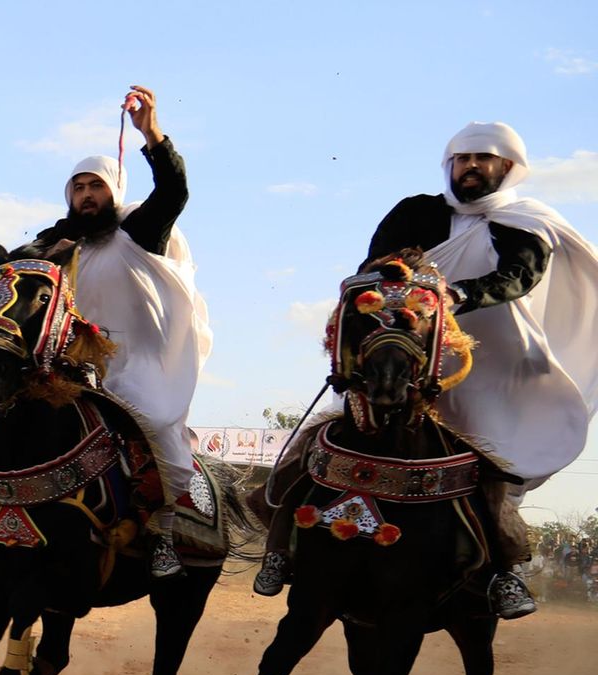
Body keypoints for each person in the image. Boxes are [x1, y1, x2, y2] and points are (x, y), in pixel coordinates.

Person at [256, 122, 598, 620]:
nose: (471, 167)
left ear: (507, 168)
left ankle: (504, 571)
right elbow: (374, 266)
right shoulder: (416, 211)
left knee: (490, 463)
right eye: (463, 159)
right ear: (449, 165)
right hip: (401, 347)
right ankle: (279, 549)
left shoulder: (527, 221)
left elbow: (518, 277)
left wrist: (457, 295)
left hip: (487, 359)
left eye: (484, 159)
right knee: (326, 438)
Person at [16, 85, 210, 579]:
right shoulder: (56, 242)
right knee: (12, 417)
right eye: (78, 188)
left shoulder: (139, 229)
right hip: (71, 367)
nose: (86, 196)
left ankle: (169, 530)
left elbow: (174, 192)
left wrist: (152, 136)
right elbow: (10, 275)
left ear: (113, 193)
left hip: (136, 363)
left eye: (95, 187)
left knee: (156, 422)